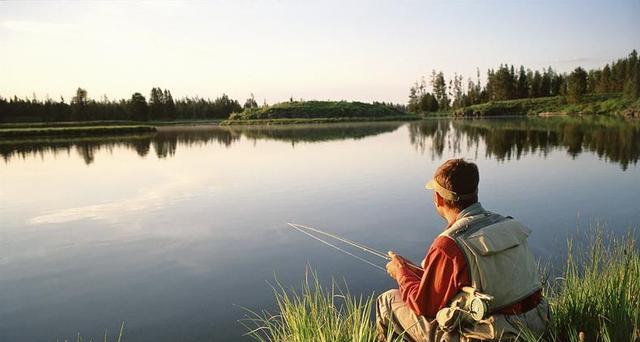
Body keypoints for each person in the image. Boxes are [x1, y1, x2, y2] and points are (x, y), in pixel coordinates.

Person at [376, 159, 550, 342]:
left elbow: (424, 306)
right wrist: (417, 273)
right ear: (475, 193)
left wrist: (401, 273)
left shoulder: (448, 245)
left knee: (388, 301)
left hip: (492, 336)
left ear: (438, 198)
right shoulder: (508, 225)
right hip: (537, 326)